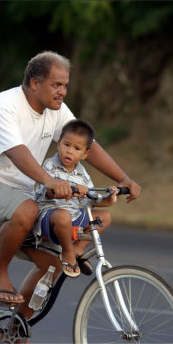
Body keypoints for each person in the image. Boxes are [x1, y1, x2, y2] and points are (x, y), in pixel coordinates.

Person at [0, 50, 141, 317]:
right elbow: (16, 151)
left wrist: (123, 179)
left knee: (54, 263)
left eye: (65, 85)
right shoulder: (5, 106)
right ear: (34, 82)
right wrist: (49, 180)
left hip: (23, 194)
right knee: (29, 209)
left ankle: (16, 329)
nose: (62, 91)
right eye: (56, 84)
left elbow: (88, 145)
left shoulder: (56, 110)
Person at [34, 119, 118, 278]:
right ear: (58, 144)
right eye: (66, 145)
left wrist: (108, 199)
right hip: (49, 216)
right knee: (63, 216)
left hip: (73, 216)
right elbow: (47, 192)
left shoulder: (83, 175)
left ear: (85, 154)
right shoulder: (50, 165)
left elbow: (89, 200)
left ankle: (77, 249)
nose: (70, 151)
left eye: (77, 148)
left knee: (104, 217)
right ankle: (67, 253)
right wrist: (68, 190)